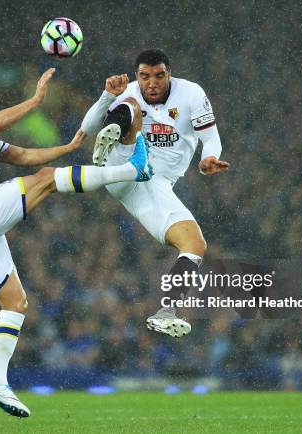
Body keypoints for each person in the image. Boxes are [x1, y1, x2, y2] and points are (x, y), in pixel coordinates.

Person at [0, 68, 152, 418]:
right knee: (48, 181)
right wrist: (36, 101)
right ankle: (133, 170)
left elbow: (21, 155)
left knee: (16, 303)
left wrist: (67, 147)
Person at [81, 49, 230, 338]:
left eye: (159, 75)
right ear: (138, 75)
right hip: (122, 161)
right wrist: (106, 96)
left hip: (151, 184)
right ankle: (114, 135)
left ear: (169, 73)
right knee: (132, 105)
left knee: (195, 244)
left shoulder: (191, 94)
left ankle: (167, 312)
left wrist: (207, 159)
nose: (152, 83)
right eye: (145, 76)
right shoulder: (132, 91)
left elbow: (210, 138)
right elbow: (85, 129)